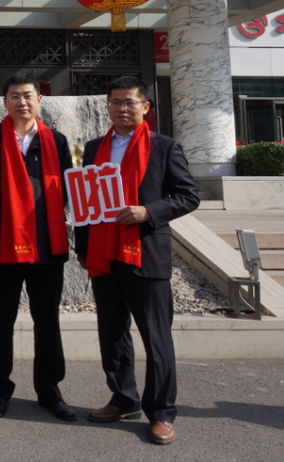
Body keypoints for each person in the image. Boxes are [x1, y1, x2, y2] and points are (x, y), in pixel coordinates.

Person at [75, 76, 199, 446]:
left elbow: (188, 196)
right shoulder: (95, 147)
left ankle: (161, 412)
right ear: (107, 106)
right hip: (104, 253)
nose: (121, 108)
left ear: (145, 107)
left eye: (129, 102)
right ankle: (123, 398)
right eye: (115, 102)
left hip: (145, 253)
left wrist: (149, 211)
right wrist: (83, 247)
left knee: (156, 337)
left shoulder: (165, 147)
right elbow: (86, 200)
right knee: (112, 332)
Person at [0, 73, 75, 421]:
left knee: (47, 321)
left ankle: (49, 390)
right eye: (15, 96)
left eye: (28, 95)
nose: (22, 102)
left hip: (48, 247)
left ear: (39, 100)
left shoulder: (56, 141)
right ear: (4, 102)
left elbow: (68, 190)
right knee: (1, 321)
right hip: (4, 246)